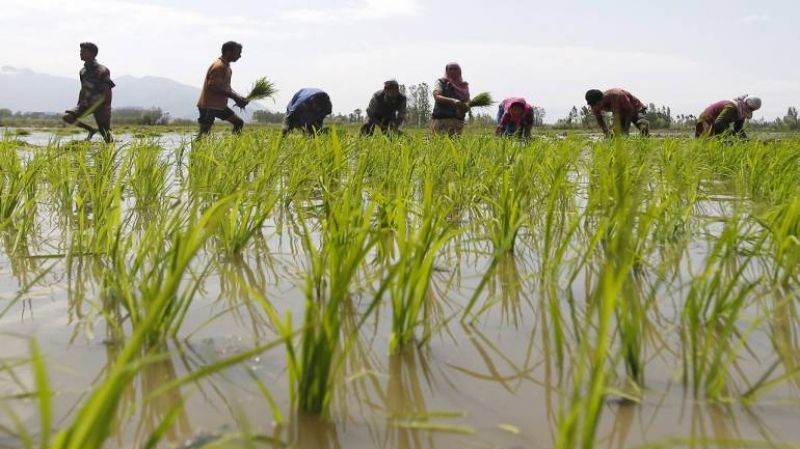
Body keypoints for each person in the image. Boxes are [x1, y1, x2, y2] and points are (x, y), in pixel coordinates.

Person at [62, 42, 115, 143]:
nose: (80, 53)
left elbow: (108, 89)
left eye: (83, 51)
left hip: (100, 105)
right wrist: (78, 105)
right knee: (68, 117)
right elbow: (83, 89)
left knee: (105, 134)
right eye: (80, 51)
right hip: (85, 103)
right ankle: (91, 130)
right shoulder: (82, 71)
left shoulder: (102, 70)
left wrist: (107, 108)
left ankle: (109, 153)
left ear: (92, 54)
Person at [196, 41, 249, 138]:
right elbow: (214, 86)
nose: (240, 56)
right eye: (238, 53)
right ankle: (195, 152)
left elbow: (226, 87)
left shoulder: (227, 67)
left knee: (238, 123)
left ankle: (235, 149)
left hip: (219, 106)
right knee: (204, 133)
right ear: (228, 52)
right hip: (209, 105)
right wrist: (234, 97)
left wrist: (238, 97)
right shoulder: (219, 66)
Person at [585, 88, 649, 137]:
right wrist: (607, 132)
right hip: (622, 112)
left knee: (642, 125)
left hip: (636, 107)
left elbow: (630, 110)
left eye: (598, 104)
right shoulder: (594, 104)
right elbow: (599, 119)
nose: (596, 107)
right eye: (593, 105)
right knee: (618, 134)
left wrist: (626, 128)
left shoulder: (616, 96)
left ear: (601, 99)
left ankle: (645, 141)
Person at [431, 63, 470, 136]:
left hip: (458, 122)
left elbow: (467, 103)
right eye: (450, 69)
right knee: (439, 144)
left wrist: (465, 106)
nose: (453, 71)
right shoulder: (442, 82)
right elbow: (437, 96)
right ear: (446, 71)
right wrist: (453, 101)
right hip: (441, 121)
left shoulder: (463, 86)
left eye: (456, 69)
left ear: (460, 72)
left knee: (454, 146)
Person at [695, 95, 762, 138]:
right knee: (706, 142)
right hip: (707, 119)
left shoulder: (742, 113)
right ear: (746, 104)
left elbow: (738, 129)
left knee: (726, 140)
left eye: (753, 110)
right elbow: (719, 123)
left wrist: (745, 140)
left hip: (720, 123)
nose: (751, 110)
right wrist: (731, 134)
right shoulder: (732, 107)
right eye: (750, 109)